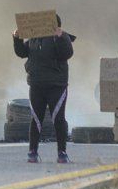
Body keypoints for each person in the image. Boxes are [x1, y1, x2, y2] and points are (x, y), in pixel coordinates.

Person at [13, 14, 74, 164]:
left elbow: (67, 54)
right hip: (36, 84)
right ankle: (32, 152)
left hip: (56, 85)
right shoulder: (34, 39)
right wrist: (17, 38)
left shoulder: (62, 37)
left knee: (58, 119)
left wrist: (59, 37)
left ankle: (62, 152)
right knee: (36, 119)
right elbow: (21, 53)